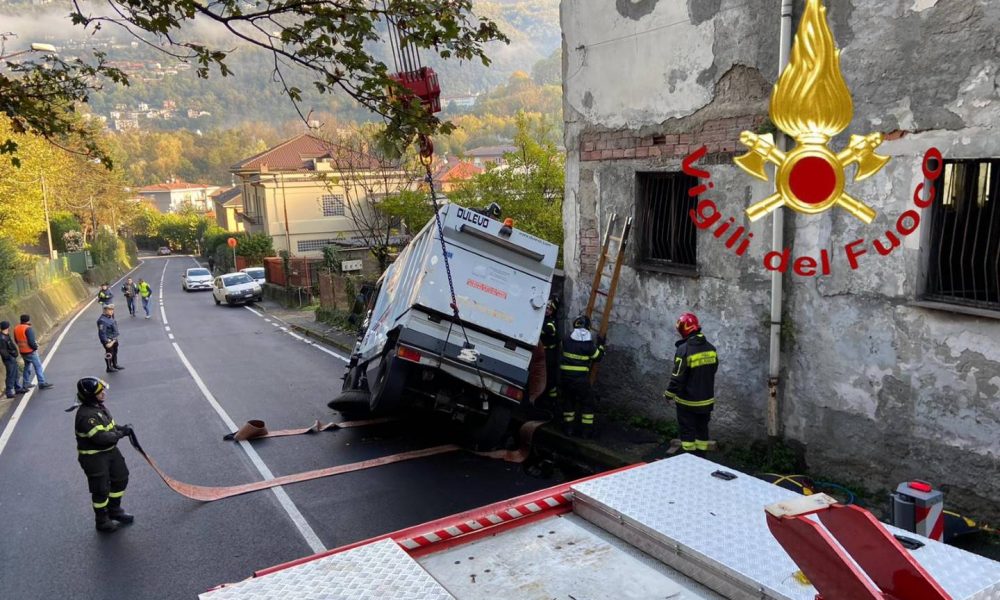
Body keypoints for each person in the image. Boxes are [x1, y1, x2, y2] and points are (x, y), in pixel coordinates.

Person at [73, 377, 134, 533]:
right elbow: (100, 438)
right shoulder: (86, 416)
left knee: (121, 478)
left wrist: (123, 428)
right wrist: (121, 434)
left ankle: (114, 510)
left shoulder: (99, 408)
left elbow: (110, 427)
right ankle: (101, 520)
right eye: (100, 392)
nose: (103, 393)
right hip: (94, 457)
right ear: (90, 396)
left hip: (110, 452)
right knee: (101, 489)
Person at [664, 312, 718, 458]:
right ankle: (702, 458)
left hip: (687, 402)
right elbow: (713, 371)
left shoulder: (684, 350)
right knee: (702, 430)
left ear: (683, 329)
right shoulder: (711, 349)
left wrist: (668, 394)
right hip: (706, 400)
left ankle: (688, 458)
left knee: (687, 432)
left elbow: (677, 377)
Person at [559, 314, 605, 438]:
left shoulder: (566, 340)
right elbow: (598, 357)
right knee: (588, 403)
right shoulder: (588, 345)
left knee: (569, 402)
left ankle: (568, 429)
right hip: (580, 380)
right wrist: (601, 345)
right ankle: (586, 431)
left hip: (565, 378)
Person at [14, 315, 53, 390]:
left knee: (27, 366)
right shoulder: (28, 328)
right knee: (38, 366)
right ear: (28, 320)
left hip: (22, 351)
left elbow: (16, 340)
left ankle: (26, 383)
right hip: (30, 351)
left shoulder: (16, 328)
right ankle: (41, 383)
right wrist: (35, 347)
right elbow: (31, 341)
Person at [540, 297, 561, 411]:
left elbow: (549, 329)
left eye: (550, 309)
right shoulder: (541, 317)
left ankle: (551, 403)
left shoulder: (552, 321)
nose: (547, 310)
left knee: (549, 378)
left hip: (548, 354)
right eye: (546, 308)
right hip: (540, 352)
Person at [97, 304, 124, 373]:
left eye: (112, 310)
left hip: (114, 338)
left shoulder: (109, 317)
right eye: (110, 310)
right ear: (105, 310)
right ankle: (109, 367)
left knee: (115, 351)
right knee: (109, 353)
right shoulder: (102, 320)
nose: (112, 311)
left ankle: (115, 364)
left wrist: (115, 338)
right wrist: (106, 341)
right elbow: (102, 333)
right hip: (109, 340)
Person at [1, 321, 20, 398]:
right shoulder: (2, 338)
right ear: (7, 327)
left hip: (12, 357)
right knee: (10, 374)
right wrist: (10, 357)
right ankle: (9, 392)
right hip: (9, 359)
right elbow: (3, 350)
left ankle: (17, 387)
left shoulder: (6, 335)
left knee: (15, 373)